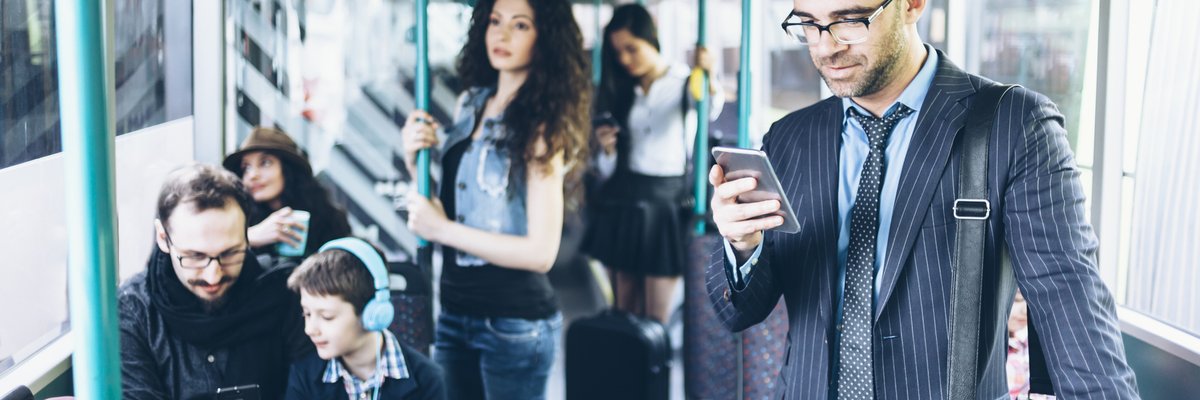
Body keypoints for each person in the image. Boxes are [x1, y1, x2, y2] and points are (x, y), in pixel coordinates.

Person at [706, 0, 1139, 399]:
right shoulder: (790, 138)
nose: (826, 46)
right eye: (809, 25)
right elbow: (738, 313)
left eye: (849, 21)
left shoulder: (1014, 126)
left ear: (912, 4)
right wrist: (742, 245)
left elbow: (1071, 307)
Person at [399, 0, 590, 398]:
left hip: (514, 323)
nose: (501, 35)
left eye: (520, 26)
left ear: (545, 40)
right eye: (494, 22)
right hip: (453, 311)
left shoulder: (542, 127)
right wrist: (411, 160)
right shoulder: (471, 102)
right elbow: (450, 212)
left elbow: (540, 252)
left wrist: (443, 230)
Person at [119, 164, 313, 400]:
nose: (214, 276)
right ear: (163, 238)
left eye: (230, 253)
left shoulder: (282, 292)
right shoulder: (134, 312)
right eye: (195, 256)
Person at [585, 3, 725, 324]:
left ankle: (651, 375)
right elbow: (606, 170)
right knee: (623, 310)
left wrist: (710, 74)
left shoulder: (683, 82)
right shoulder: (621, 89)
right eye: (618, 52)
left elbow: (708, 105)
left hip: (665, 203)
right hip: (623, 197)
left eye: (632, 49)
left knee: (655, 317)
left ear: (653, 37)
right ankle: (624, 373)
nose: (624, 59)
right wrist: (605, 149)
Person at [285, 237, 445, 400]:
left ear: (371, 313)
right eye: (307, 314)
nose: (310, 329)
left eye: (327, 317)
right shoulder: (303, 377)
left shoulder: (429, 381)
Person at [223, 126, 352, 258]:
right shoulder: (237, 220)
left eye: (265, 163)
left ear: (288, 169)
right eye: (246, 167)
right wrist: (249, 237)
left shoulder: (329, 219)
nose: (253, 175)